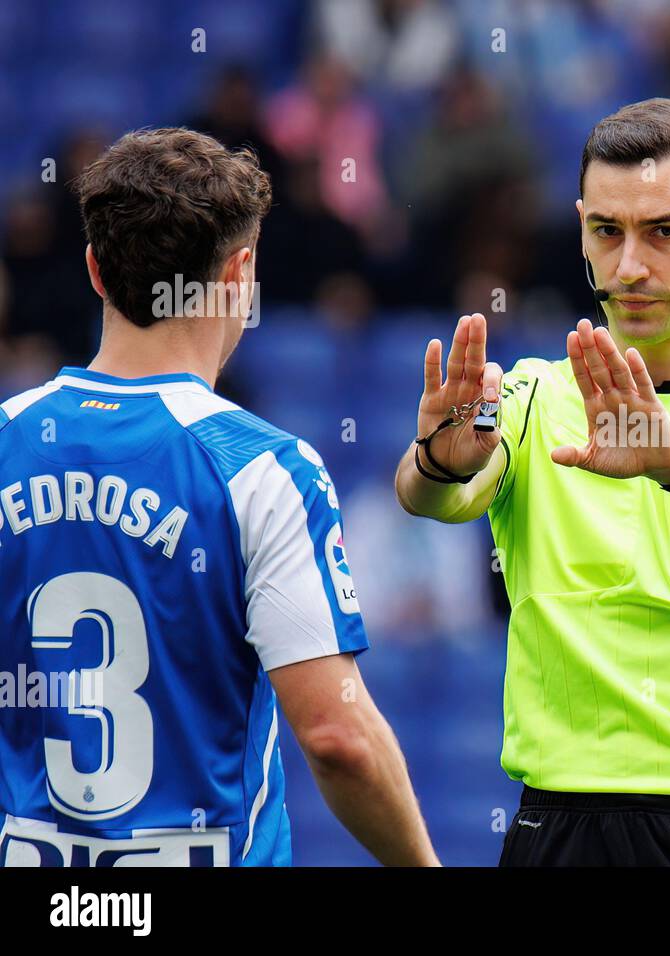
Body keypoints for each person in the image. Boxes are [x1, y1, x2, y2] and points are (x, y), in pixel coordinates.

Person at [394, 99, 670, 866]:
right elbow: (431, 496)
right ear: (580, 229)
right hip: (562, 832)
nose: (630, 266)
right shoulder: (535, 394)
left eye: (664, 232)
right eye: (607, 231)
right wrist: (440, 458)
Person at [0, 128, 436, 867]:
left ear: (95, 271)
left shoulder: (7, 439)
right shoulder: (263, 470)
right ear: (240, 275)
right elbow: (338, 739)